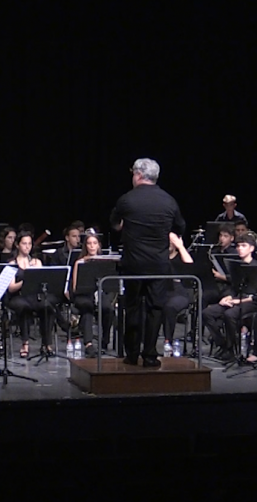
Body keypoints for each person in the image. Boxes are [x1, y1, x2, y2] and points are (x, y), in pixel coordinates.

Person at [110, 158, 186, 368]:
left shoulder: (127, 200)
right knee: (156, 308)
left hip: (133, 265)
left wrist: (126, 227)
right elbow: (180, 227)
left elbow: (114, 225)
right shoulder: (169, 201)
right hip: (159, 265)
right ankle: (150, 354)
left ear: (138, 175)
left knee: (132, 307)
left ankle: (132, 354)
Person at [202, 233, 257, 362]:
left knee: (230, 314)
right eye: (238, 246)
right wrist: (227, 297)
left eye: (243, 246)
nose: (239, 248)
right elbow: (233, 286)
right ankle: (224, 345)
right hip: (236, 298)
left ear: (251, 248)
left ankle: (230, 348)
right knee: (207, 313)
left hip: (251, 302)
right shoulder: (236, 266)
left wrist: (239, 301)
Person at [5, 231, 58, 358]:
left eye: (29, 243)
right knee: (24, 308)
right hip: (17, 296)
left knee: (48, 307)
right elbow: (11, 288)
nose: (27, 246)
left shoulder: (36, 262)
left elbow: (41, 284)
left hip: (34, 296)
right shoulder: (12, 264)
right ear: (17, 245)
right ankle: (25, 343)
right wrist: (26, 280)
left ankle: (46, 343)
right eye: (24, 243)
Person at [68, 231, 117, 358]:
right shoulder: (79, 262)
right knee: (87, 308)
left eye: (94, 243)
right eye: (89, 243)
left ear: (99, 245)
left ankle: (104, 341)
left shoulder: (105, 262)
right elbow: (75, 287)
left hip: (99, 293)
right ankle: (88, 344)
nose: (92, 246)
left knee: (108, 308)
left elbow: (110, 284)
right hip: (83, 295)